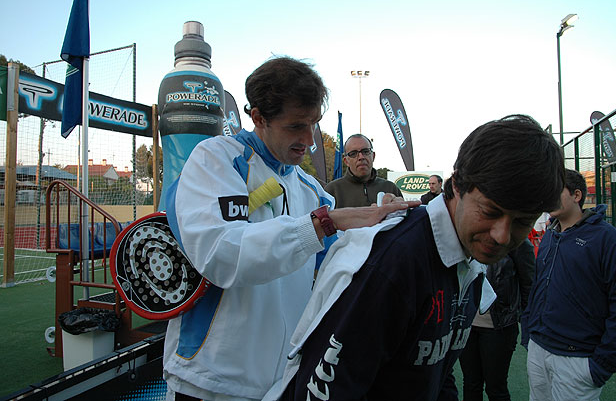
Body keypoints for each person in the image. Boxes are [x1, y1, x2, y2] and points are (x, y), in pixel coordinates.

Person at [162, 56, 417, 401]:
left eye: (314, 123)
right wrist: (322, 224)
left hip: (282, 382)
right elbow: (221, 254)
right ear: (258, 118)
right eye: (296, 126)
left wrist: (378, 227)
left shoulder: (310, 189)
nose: (309, 139)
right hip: (211, 379)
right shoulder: (216, 159)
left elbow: (338, 268)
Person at [265, 114, 565, 401]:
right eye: (490, 211)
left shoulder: (469, 253)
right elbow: (324, 391)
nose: (502, 235)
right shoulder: (392, 263)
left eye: (522, 221)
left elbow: (437, 372)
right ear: (457, 185)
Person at [521, 169, 616, 401]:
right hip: (538, 348)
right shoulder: (550, 236)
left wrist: (602, 365)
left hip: (577, 359)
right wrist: (529, 332)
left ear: (577, 195)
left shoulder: (608, 239)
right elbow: (536, 287)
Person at [459, 239, 535, 401]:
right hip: (467, 324)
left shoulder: (517, 241)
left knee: (496, 387)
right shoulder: (468, 234)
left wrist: (524, 320)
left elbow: (528, 285)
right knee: (471, 383)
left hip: (500, 325)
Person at [325, 134, 403, 208]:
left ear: (373, 156)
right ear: (346, 161)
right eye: (353, 153)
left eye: (365, 151)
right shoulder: (332, 191)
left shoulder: (390, 188)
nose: (361, 157)